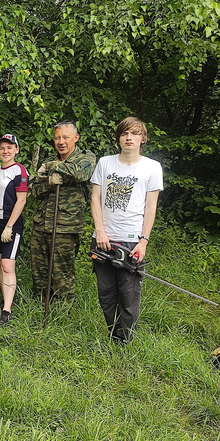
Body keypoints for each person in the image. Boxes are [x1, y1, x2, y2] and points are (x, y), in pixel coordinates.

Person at [90, 117, 162, 344]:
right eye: (124, 133)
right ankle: (112, 334)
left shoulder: (152, 167)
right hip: (103, 239)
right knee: (106, 293)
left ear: (143, 138)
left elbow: (151, 207)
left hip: (132, 240)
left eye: (134, 133)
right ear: (118, 138)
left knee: (129, 294)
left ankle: (125, 340)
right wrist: (100, 230)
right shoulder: (105, 163)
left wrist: (144, 241)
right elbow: (95, 198)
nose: (129, 138)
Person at [29, 121, 97, 302]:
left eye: (66, 137)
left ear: (76, 138)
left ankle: (63, 310)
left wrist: (52, 167)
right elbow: (34, 190)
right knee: (39, 270)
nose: (61, 142)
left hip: (65, 226)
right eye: (57, 137)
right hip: (41, 223)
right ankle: (40, 305)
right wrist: (49, 182)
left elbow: (78, 173)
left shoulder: (86, 158)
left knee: (62, 272)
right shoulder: (49, 159)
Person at [0, 134, 29, 325]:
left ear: (16, 150)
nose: (5, 151)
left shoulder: (19, 171)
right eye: (2, 148)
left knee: (8, 265)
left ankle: (7, 311)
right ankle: (4, 297)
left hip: (11, 221)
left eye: (10, 148)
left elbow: (22, 200)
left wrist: (9, 226)